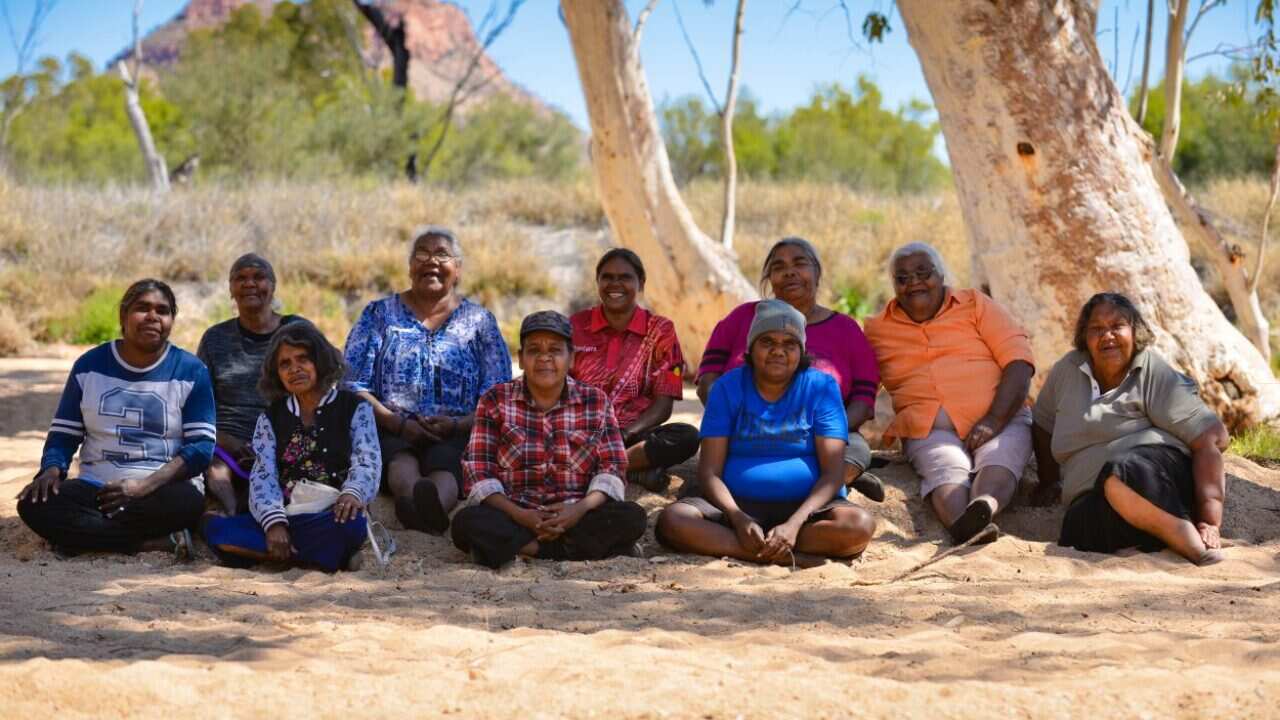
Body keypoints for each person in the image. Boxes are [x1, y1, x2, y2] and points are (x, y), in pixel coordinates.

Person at [657, 300, 877, 567]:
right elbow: (709, 472)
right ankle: (787, 555)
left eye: (789, 344)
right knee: (674, 520)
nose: (778, 352)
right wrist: (737, 517)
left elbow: (832, 475)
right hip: (735, 504)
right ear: (750, 348)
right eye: (767, 342)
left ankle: (767, 546)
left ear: (801, 351)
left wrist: (795, 524)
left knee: (859, 527)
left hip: (806, 509)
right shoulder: (727, 387)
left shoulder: (821, 388)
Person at [16, 280, 215, 558]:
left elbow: (201, 449)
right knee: (33, 504)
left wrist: (143, 486)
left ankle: (84, 539)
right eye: (142, 308)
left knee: (187, 505)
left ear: (171, 320)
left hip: (161, 489)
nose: (153, 317)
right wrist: (52, 470)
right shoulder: (89, 365)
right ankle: (153, 542)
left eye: (163, 310)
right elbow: (64, 434)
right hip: (98, 488)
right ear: (123, 315)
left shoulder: (191, 370)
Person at [1029, 293, 1228, 566]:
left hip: (1158, 479)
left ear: (1135, 331)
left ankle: (1195, 546)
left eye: (1116, 326)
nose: (1107, 335)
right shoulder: (1067, 370)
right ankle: (1160, 535)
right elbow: (1041, 424)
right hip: (1093, 494)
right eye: (1096, 329)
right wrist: (1048, 481)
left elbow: (1212, 437)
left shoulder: (1150, 368)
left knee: (1120, 473)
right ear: (1084, 338)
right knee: (1078, 525)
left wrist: (1210, 519)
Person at [343, 226, 511, 535]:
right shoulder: (378, 315)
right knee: (398, 461)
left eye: (442, 254)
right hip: (391, 425)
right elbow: (352, 384)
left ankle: (430, 506)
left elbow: (498, 393)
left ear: (457, 270)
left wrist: (458, 424)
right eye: (422, 254)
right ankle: (411, 499)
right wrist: (395, 422)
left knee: (448, 465)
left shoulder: (479, 321)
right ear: (409, 267)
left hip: (457, 429)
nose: (430, 261)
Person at [864, 242, 1035, 544]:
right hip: (928, 428)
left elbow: (1019, 361)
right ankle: (963, 524)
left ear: (941, 274)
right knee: (943, 467)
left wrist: (993, 419)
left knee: (1000, 456)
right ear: (894, 286)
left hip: (1001, 417)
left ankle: (984, 505)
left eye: (923, 272)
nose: (914, 282)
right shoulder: (878, 330)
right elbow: (861, 382)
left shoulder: (976, 305)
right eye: (902, 278)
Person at [451, 311, 647, 569]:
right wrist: (521, 516)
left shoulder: (596, 401)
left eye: (555, 350)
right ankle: (572, 550)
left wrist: (577, 511)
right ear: (521, 359)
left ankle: (528, 550)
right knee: (467, 523)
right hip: (516, 514)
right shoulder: (495, 400)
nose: (544, 358)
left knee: (632, 517)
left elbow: (613, 467)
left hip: (578, 514)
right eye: (534, 350)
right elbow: (478, 470)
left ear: (572, 358)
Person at [696, 237, 884, 502]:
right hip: (745, 432)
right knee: (713, 458)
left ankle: (829, 485)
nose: (789, 271)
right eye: (778, 266)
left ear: (817, 272)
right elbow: (708, 383)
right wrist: (739, 424)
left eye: (800, 263)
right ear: (769, 278)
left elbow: (863, 403)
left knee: (855, 451)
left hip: (826, 434)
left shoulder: (846, 329)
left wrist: (821, 432)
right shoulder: (739, 319)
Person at [203, 322, 380, 572]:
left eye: (303, 359)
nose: (294, 369)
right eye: (285, 364)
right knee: (218, 530)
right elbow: (263, 475)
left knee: (351, 526)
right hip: (288, 515)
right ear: (277, 374)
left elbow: (367, 460)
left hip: (334, 514)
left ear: (319, 361)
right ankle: (317, 556)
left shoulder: (354, 408)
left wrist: (352, 493)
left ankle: (277, 554)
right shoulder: (271, 418)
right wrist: (274, 523)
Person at [570, 248, 698, 494]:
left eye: (625, 277)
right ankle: (631, 469)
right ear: (597, 282)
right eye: (607, 277)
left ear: (641, 283)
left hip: (631, 434)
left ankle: (598, 468)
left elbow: (663, 406)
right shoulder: (576, 325)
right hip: (579, 431)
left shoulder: (661, 331)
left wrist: (626, 432)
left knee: (687, 437)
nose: (615, 284)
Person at [197, 253, 304, 514]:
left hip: (285, 437)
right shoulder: (214, 339)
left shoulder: (297, 330)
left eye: (259, 277)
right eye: (240, 278)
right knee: (215, 470)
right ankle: (233, 513)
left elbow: (322, 383)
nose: (249, 284)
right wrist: (228, 442)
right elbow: (198, 404)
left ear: (273, 285)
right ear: (231, 290)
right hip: (227, 441)